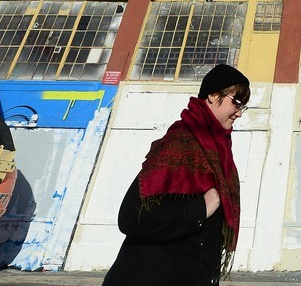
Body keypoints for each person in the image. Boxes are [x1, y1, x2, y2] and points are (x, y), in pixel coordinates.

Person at [103, 64, 251, 286]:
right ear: (213, 95)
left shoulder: (220, 154)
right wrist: (200, 208)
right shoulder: (179, 143)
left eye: (243, 106)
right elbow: (131, 218)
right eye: (236, 102)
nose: (239, 112)